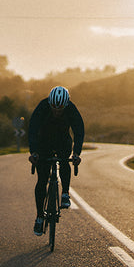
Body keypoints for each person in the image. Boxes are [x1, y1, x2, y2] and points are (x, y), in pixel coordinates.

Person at [28, 86, 84, 236]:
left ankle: (65, 193)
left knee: (65, 161)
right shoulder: (43, 106)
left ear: (66, 105)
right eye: (54, 108)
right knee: (42, 179)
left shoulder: (71, 109)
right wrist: (33, 152)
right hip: (44, 142)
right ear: (50, 103)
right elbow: (32, 129)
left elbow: (79, 131)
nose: (57, 112)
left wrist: (77, 153)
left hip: (63, 141)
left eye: (60, 109)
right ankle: (40, 216)